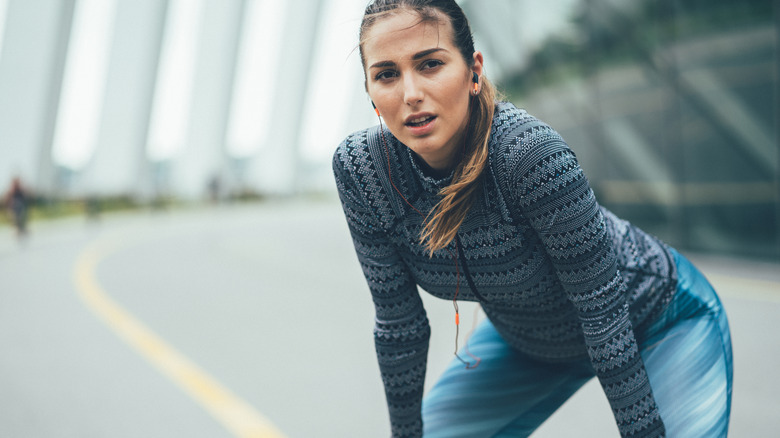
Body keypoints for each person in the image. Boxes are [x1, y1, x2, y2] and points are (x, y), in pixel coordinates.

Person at [332, 1, 733, 437]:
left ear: (474, 71)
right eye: (387, 74)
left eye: (430, 64)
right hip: (526, 342)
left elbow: (602, 311)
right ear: (370, 91)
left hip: (657, 318)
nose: (410, 93)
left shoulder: (529, 157)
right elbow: (399, 324)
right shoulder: (363, 172)